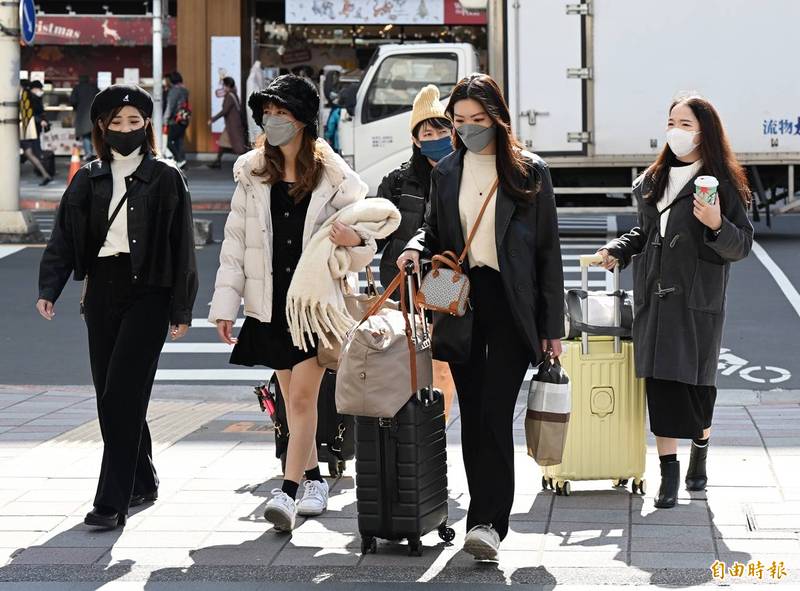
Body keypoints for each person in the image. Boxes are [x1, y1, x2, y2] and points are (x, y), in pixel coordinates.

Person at [398, 73, 565, 560]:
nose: (468, 129)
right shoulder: (446, 171)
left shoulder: (529, 172)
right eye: (460, 121)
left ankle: (489, 522)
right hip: (460, 299)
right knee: (472, 414)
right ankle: (482, 520)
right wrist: (413, 246)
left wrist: (552, 328)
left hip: (512, 305)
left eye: (478, 120)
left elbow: (548, 254)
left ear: (498, 118)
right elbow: (432, 230)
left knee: (495, 412)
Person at [209, 75, 376, 532]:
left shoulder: (334, 174)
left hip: (312, 307)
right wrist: (226, 304)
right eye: (268, 113)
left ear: (303, 120)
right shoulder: (251, 170)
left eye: (282, 113)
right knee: (288, 397)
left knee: (302, 398)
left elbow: (366, 242)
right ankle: (315, 476)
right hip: (268, 303)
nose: (273, 120)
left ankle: (286, 493)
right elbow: (236, 242)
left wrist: (353, 238)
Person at [36, 84, 198, 530]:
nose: (125, 129)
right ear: (102, 128)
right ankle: (142, 477)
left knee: (122, 394)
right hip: (102, 290)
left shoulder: (166, 176)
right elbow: (64, 237)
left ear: (147, 125)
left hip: (149, 291)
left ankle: (112, 500)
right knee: (110, 395)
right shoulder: (87, 177)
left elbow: (181, 245)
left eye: (134, 121)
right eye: (115, 122)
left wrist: (181, 308)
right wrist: (50, 287)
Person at [597, 94, 753, 509]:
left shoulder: (723, 184)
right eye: (672, 122)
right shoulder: (654, 179)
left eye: (685, 124)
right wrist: (618, 249)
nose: (676, 131)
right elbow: (645, 233)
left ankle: (700, 448)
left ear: (705, 132)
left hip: (697, 299)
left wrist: (717, 224)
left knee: (698, 388)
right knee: (661, 385)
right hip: (655, 296)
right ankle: (668, 473)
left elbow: (742, 245)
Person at [374, 84, 457, 417]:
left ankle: (435, 428)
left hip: (445, 279)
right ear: (415, 139)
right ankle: (409, 428)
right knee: (406, 361)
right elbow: (376, 232)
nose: (434, 136)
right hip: (401, 282)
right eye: (427, 130)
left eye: (441, 128)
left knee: (440, 364)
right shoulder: (398, 181)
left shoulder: (463, 176)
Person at [207, 77, 248, 168]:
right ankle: (217, 162)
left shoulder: (230, 96)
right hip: (232, 125)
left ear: (227, 85)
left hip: (233, 125)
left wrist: (213, 119)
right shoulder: (233, 94)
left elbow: (224, 111)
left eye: (224, 85)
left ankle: (247, 163)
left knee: (239, 147)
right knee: (222, 143)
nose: (223, 86)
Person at [19, 81, 53, 186]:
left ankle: (45, 174)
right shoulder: (33, 98)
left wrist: (41, 120)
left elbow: (31, 114)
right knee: (31, 153)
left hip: (27, 129)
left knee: (31, 153)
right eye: (39, 89)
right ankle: (45, 174)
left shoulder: (27, 97)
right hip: (31, 129)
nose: (41, 91)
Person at [70, 74, 100, 160]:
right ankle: (97, 153)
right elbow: (100, 98)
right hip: (93, 114)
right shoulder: (94, 87)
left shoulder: (77, 88)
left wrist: (76, 108)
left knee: (85, 135)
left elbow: (73, 101)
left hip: (82, 114)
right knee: (93, 134)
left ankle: (89, 154)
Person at [164, 71, 189, 168]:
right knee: (179, 141)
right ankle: (182, 162)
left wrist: (165, 119)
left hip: (175, 119)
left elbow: (170, 106)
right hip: (184, 118)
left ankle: (179, 159)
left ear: (171, 80)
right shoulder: (184, 90)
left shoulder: (174, 91)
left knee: (168, 142)